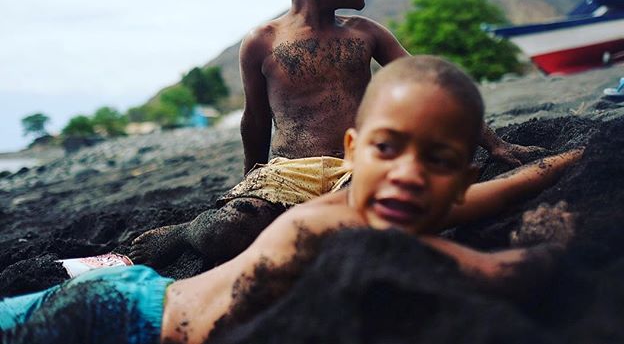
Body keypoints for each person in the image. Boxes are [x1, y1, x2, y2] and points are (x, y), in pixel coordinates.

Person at [1, 56, 581, 344]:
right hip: (126, 316)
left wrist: (566, 162)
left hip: (145, 295)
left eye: (438, 161)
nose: (408, 175)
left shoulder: (384, 206)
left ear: (460, 179)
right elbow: (503, 273)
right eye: (389, 148)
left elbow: (495, 190)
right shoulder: (353, 231)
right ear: (354, 153)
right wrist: (553, 239)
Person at [129, 0, 542, 268]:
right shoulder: (262, 42)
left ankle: (309, 224)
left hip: (355, 166)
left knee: (379, 210)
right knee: (227, 231)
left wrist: (494, 143)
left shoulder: (366, 34)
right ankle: (186, 232)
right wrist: (251, 184)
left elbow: (431, 86)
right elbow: (254, 120)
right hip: (287, 175)